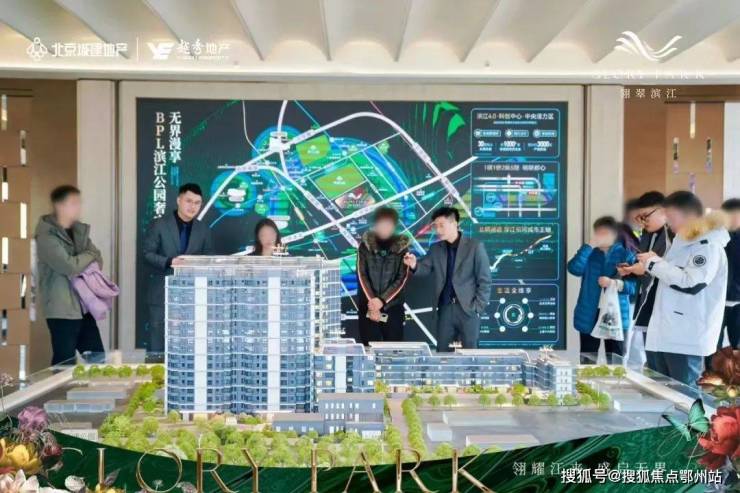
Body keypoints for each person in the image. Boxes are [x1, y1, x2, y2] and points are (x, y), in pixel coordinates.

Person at [642, 191, 729, 386]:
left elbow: (692, 283)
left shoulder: (708, 246)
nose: (668, 223)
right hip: (668, 331)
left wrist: (654, 263)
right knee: (661, 392)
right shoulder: (683, 242)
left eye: (671, 217)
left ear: (688, 216)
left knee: (683, 394)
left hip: (686, 335)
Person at [403, 207, 492, 351]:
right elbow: (425, 268)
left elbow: (485, 280)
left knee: (470, 353)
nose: (438, 230)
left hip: (468, 309)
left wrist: (477, 308)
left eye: (441, 225)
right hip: (445, 308)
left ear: (454, 224)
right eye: (435, 226)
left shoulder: (474, 247)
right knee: (443, 352)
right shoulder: (435, 248)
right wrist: (414, 264)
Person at [36, 185, 105, 365]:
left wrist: (85, 258)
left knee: (97, 358)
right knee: (64, 362)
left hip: (84, 305)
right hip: (61, 309)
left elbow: (99, 260)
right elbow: (70, 266)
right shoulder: (46, 236)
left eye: (79, 202)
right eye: (73, 203)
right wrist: (88, 255)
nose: (78, 207)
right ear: (59, 205)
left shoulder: (79, 231)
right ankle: (59, 386)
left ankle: (96, 386)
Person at [143, 183, 213, 354]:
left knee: (188, 342)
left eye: (197, 203)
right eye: (189, 201)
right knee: (157, 341)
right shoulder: (159, 224)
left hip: (191, 295)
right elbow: (146, 254)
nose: (193, 206)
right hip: (162, 293)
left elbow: (209, 259)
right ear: (178, 200)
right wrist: (169, 261)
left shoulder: (203, 229)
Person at [567, 216, 636, 363]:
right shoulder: (590, 253)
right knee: (587, 360)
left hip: (616, 314)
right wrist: (588, 246)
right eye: (598, 232)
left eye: (604, 233)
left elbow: (634, 287)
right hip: (589, 313)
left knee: (615, 361)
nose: (600, 236)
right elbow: (574, 269)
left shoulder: (626, 255)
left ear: (614, 234)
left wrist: (613, 283)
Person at [617, 190, 672, 370]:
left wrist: (644, 269)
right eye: (640, 217)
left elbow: (668, 269)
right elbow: (645, 262)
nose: (643, 221)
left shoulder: (672, 236)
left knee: (665, 361)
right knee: (652, 360)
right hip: (648, 301)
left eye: (646, 216)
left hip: (665, 305)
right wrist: (633, 269)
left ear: (663, 211)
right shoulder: (649, 234)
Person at [356, 207, 411, 344]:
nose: (384, 227)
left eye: (388, 224)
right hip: (368, 307)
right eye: (381, 223)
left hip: (393, 308)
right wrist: (373, 303)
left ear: (394, 226)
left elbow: (402, 278)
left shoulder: (403, 248)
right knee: (368, 349)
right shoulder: (364, 246)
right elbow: (362, 275)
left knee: (393, 350)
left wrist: (382, 300)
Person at [705, 198, 740, 367]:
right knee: (712, 345)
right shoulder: (713, 237)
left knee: (737, 347)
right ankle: (711, 376)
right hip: (716, 300)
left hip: (738, 301)